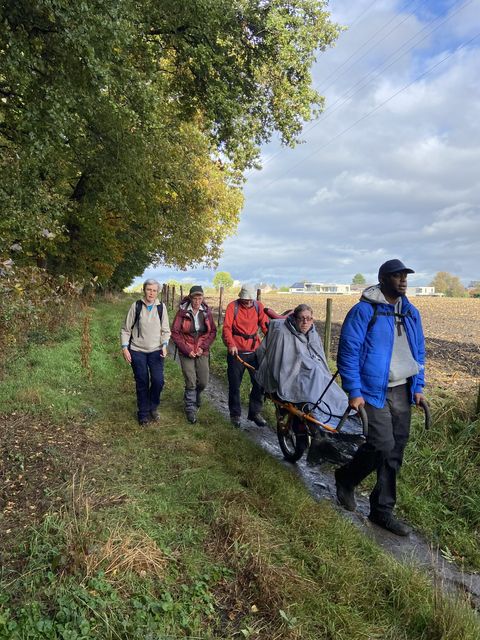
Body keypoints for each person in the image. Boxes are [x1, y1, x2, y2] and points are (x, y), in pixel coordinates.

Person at [335, 259, 426, 536]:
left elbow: (419, 351)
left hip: (402, 387)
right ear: (383, 279)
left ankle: (382, 511)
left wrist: (419, 385)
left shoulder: (410, 312)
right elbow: (348, 352)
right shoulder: (364, 311)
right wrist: (354, 391)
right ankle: (346, 478)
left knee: (395, 450)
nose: (403, 281)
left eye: (405, 276)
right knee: (381, 444)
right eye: (397, 276)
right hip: (372, 389)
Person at [255, 304, 348, 423]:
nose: (305, 322)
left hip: (313, 374)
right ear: (295, 319)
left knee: (331, 388)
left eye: (308, 318)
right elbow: (281, 362)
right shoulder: (283, 333)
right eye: (301, 318)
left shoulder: (313, 333)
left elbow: (318, 356)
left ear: (312, 320)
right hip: (293, 376)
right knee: (315, 374)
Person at [120, 279, 171, 426]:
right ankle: (143, 413)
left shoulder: (161, 307)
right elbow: (126, 329)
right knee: (142, 381)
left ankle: (153, 407)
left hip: (156, 351)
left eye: (154, 290)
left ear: (158, 292)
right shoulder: (135, 306)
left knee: (158, 381)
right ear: (144, 290)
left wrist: (165, 344)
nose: (151, 293)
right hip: (137, 350)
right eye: (149, 289)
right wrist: (125, 348)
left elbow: (166, 330)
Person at [222, 284, 269, 427]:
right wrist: (231, 344)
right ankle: (235, 415)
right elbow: (227, 328)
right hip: (236, 352)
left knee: (259, 383)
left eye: (250, 300)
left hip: (254, 351)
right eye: (245, 300)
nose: (248, 302)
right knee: (235, 385)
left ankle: (255, 412)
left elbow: (265, 325)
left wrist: (272, 341)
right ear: (240, 298)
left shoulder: (258, 306)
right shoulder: (233, 307)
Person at [171, 285, 217, 424]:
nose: (197, 301)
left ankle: (197, 394)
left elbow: (213, 332)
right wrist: (186, 350)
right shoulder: (182, 312)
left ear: (202, 298)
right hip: (186, 349)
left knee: (203, 381)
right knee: (190, 380)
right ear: (190, 298)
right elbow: (175, 332)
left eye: (200, 298)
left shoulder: (206, 312)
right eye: (194, 298)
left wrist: (203, 348)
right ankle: (190, 407)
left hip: (202, 350)